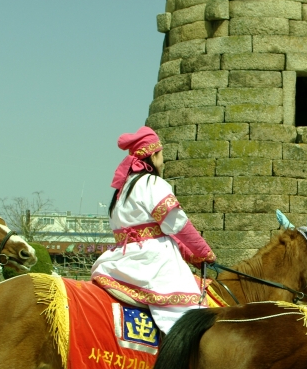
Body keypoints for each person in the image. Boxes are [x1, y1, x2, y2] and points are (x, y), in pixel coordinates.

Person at [91, 127, 215, 334]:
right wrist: (204, 252)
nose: (163, 161)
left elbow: (160, 230)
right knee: (192, 315)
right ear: (154, 154)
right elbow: (178, 226)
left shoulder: (122, 189)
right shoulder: (152, 183)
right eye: (162, 154)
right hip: (152, 261)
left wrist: (190, 254)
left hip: (120, 259)